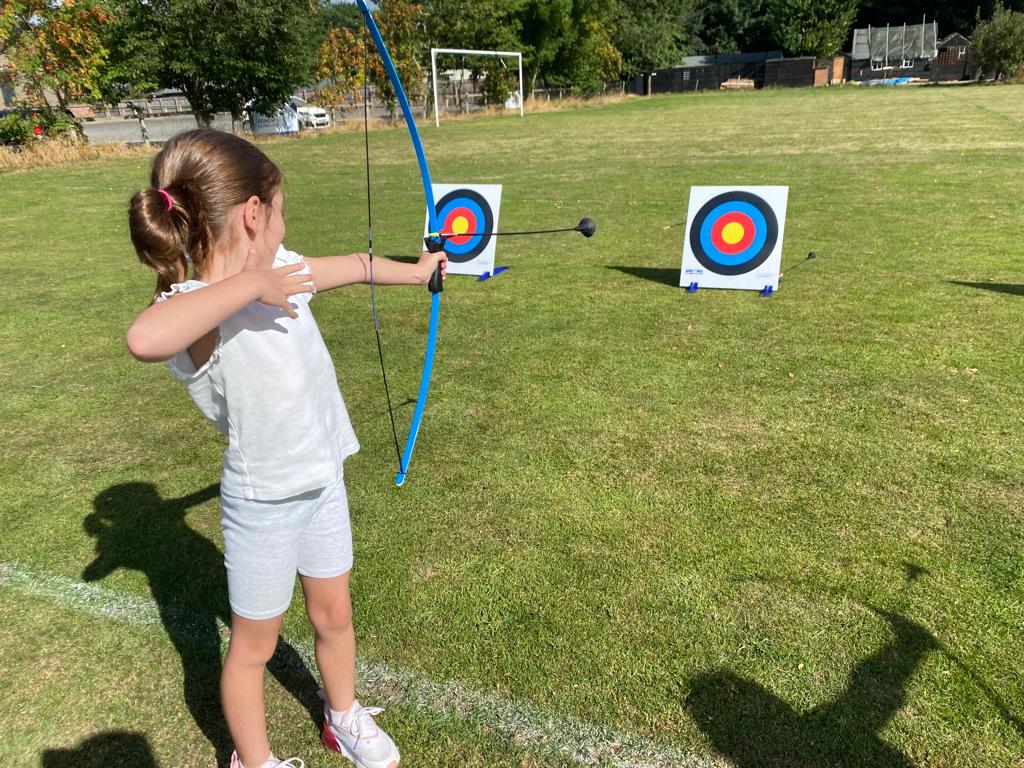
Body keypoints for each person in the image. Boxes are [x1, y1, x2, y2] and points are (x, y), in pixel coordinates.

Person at [125, 128, 446, 768]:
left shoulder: (284, 270)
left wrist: (417, 272)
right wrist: (251, 287)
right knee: (254, 648)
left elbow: (354, 265)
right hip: (263, 503)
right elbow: (144, 337)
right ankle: (255, 759)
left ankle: (343, 715)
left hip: (321, 481)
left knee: (335, 615)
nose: (283, 225)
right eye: (280, 211)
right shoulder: (193, 308)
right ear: (252, 214)